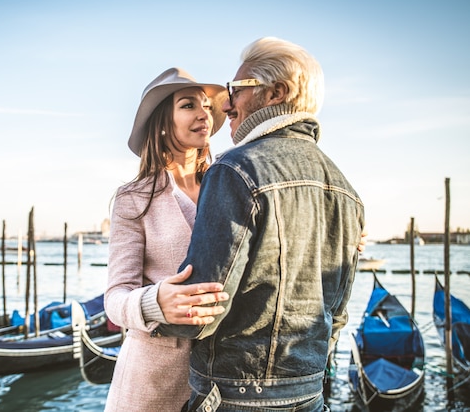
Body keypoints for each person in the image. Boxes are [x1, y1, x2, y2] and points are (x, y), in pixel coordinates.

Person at [156, 37, 365, 412]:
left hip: (236, 395)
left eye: (236, 90)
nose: (225, 104)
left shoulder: (233, 169)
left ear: (275, 94)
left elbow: (200, 313)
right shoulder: (346, 189)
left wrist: (152, 312)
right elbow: (336, 314)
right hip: (310, 394)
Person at [104, 67, 231, 412]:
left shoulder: (233, 187)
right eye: (189, 105)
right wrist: (155, 302)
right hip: (152, 383)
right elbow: (115, 297)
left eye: (206, 105)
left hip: (226, 378)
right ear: (162, 123)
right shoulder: (133, 197)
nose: (204, 113)